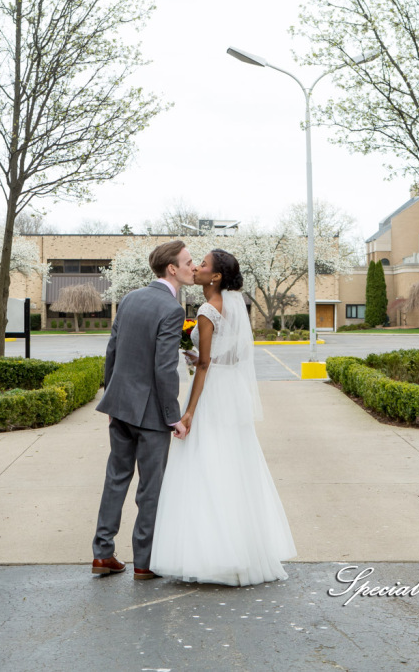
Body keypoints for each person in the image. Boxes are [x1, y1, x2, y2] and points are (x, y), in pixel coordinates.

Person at [150, 249, 296, 586]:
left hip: (211, 392)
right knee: (234, 464)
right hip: (231, 392)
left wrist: (189, 411)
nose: (196, 268)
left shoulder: (206, 310)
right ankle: (241, 550)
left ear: (215, 277)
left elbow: (204, 364)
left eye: (203, 265)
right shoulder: (233, 307)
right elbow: (234, 354)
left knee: (207, 463)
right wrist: (203, 359)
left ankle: (212, 553)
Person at [91, 240, 194, 580]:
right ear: (172, 269)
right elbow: (164, 368)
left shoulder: (130, 299)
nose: (193, 267)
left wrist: (110, 396)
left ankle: (102, 554)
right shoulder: (171, 309)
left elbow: (112, 350)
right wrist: (173, 416)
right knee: (150, 488)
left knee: (115, 478)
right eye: (188, 262)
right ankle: (144, 562)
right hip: (150, 415)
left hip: (120, 406)